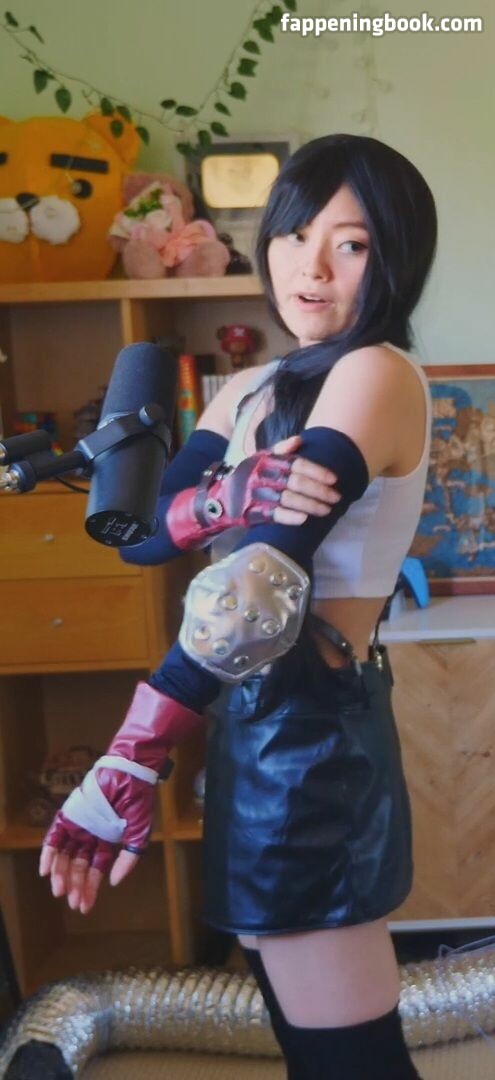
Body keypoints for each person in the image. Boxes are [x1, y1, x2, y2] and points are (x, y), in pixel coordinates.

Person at [39, 133, 437, 1079]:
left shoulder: (373, 372)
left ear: (395, 257)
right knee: (304, 1038)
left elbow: (255, 592)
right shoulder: (254, 388)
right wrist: (222, 498)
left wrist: (131, 753)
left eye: (350, 243)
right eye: (294, 234)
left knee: (349, 1061)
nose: (311, 265)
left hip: (311, 731)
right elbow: (137, 535)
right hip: (249, 720)